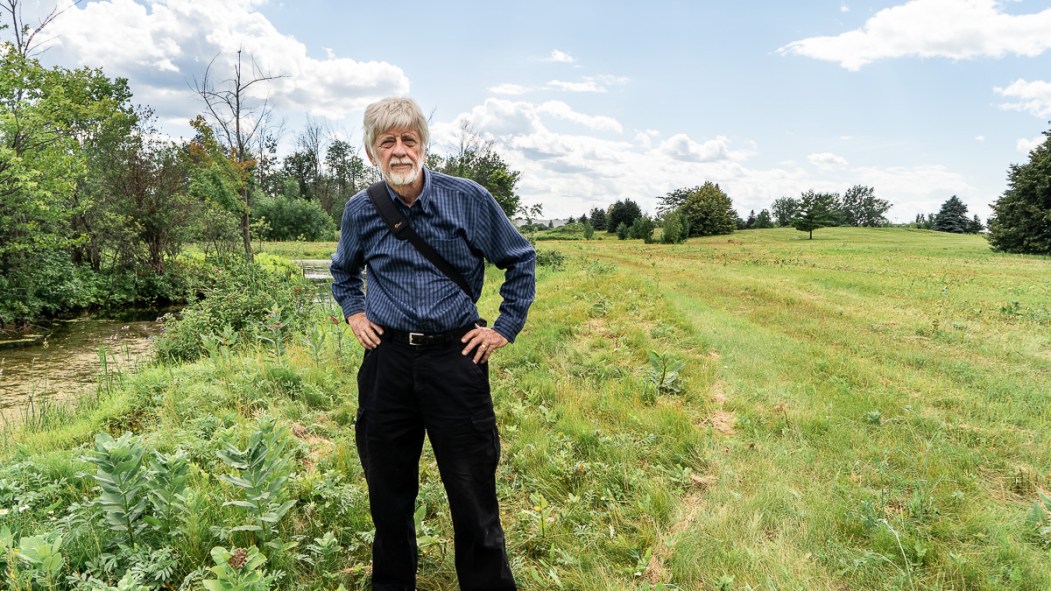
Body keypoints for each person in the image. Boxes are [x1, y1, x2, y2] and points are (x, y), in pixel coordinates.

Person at [330, 97, 535, 591]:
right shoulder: (361, 210)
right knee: (388, 493)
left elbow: (520, 259)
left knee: (472, 492)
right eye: (387, 143)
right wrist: (356, 313)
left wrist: (503, 328)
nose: (399, 151)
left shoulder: (467, 198)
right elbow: (342, 272)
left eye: (408, 140)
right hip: (388, 363)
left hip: (455, 359)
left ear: (423, 146)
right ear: (371, 152)